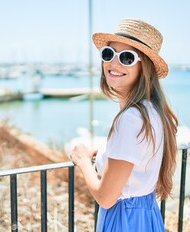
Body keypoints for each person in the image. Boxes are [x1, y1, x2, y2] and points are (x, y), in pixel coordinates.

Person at [69, 18, 178, 231]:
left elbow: (106, 197)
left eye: (127, 57)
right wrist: (104, 152)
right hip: (145, 214)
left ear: (144, 67)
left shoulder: (131, 119)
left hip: (123, 219)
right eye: (109, 53)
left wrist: (82, 161)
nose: (114, 63)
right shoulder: (152, 111)